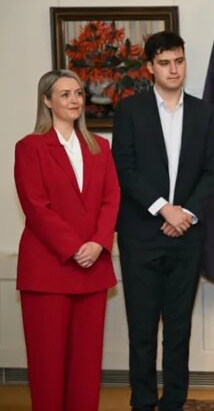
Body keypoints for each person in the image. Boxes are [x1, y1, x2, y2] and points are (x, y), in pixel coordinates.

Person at [112, 31, 214, 411]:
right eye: (164, 63)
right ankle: (142, 403)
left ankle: (174, 402)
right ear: (150, 67)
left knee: (179, 329)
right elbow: (124, 169)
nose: (173, 69)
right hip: (141, 235)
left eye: (178, 61)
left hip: (186, 235)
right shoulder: (130, 110)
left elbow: (212, 171)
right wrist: (164, 208)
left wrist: (184, 213)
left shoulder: (204, 112)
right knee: (142, 329)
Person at [14, 70, 120, 410]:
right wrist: (74, 248)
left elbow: (111, 199)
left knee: (86, 368)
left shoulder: (100, 147)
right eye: (65, 94)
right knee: (48, 367)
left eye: (78, 93)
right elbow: (36, 206)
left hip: (93, 269)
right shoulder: (30, 147)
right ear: (47, 101)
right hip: (48, 272)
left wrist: (98, 242)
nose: (75, 100)